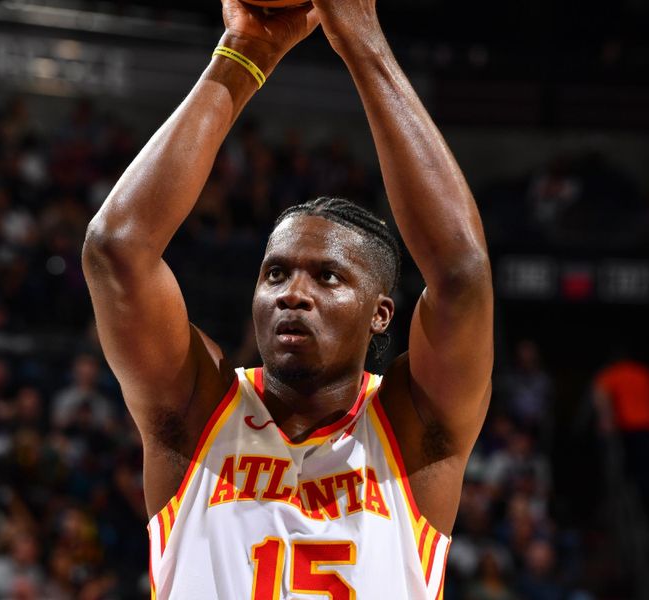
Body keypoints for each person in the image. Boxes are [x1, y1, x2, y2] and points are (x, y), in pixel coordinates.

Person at [82, 0, 493, 597]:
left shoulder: (413, 430)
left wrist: (361, 39)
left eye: (327, 278)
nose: (292, 294)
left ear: (381, 313)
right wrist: (247, 53)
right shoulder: (197, 413)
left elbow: (461, 272)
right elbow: (115, 250)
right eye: (275, 274)